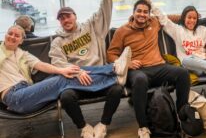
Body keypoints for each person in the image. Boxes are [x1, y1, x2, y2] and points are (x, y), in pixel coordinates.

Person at [49, 0, 128, 138]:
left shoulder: (91, 27)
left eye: (67, 16)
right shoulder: (57, 42)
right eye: (61, 18)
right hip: (78, 80)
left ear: (75, 16)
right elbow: (58, 62)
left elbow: (104, 13)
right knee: (67, 97)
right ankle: (85, 129)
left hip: (99, 77)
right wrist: (77, 72)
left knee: (116, 90)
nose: (65, 20)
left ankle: (102, 126)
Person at [107, 0, 190, 138]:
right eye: (139, 11)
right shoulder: (122, 31)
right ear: (133, 13)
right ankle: (143, 128)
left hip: (159, 67)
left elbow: (169, 18)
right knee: (140, 80)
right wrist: (128, 63)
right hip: (137, 71)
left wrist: (191, 16)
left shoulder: (154, 22)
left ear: (149, 14)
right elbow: (111, 55)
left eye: (146, 12)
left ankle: (181, 114)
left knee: (183, 74)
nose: (142, 14)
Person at [0, 25, 130, 115]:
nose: (12, 37)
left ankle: (114, 68)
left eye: (16, 36)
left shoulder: (22, 54)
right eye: (10, 33)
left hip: (27, 92)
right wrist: (63, 72)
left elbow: (42, 65)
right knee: (64, 78)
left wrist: (63, 70)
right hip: (15, 97)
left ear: (22, 40)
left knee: (73, 69)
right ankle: (115, 77)